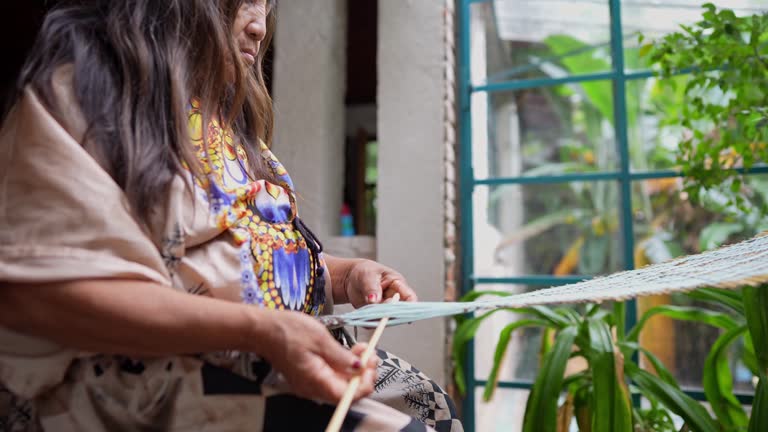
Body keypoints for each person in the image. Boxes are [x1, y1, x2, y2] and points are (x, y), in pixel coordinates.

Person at [0, 1, 462, 431]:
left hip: (259, 355)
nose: (260, 26)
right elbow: (39, 292)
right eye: (240, 0)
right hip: (131, 384)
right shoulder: (87, 97)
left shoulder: (222, 124)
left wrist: (342, 275)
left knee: (429, 403)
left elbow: (245, 254)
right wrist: (264, 331)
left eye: (265, 3)